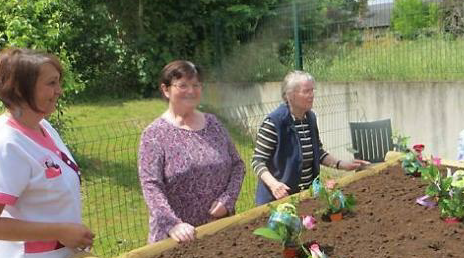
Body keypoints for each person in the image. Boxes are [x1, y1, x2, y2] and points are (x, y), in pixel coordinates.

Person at [0, 48, 94, 258]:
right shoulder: (8, 145)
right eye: (51, 83)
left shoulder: (45, 127)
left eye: (59, 82)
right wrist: (59, 231)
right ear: (21, 89)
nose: (60, 90)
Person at [138, 60, 244, 243]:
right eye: (183, 85)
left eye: (196, 85)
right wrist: (173, 224)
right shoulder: (154, 135)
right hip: (177, 239)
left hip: (218, 230)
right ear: (166, 90)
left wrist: (227, 200)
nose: (191, 91)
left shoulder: (214, 125)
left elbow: (237, 165)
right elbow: (151, 186)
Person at [252, 70, 369, 205]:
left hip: (306, 197)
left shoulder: (310, 118)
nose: (311, 95)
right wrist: (274, 185)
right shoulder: (274, 123)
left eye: (312, 91)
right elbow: (258, 161)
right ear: (290, 95)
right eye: (306, 91)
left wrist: (342, 164)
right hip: (277, 201)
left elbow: (317, 152)